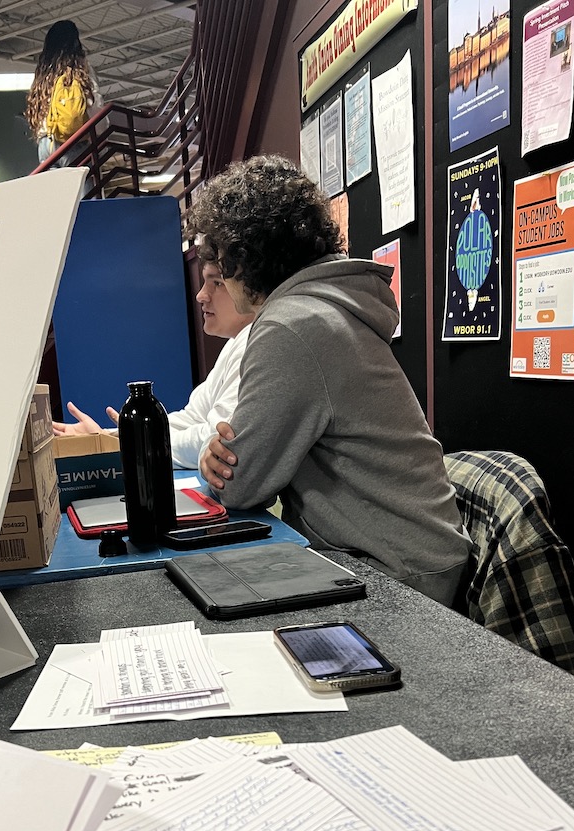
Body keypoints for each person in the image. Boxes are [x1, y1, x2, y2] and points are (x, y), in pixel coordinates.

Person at [184, 154, 473, 609]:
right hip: (417, 551)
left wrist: (217, 460)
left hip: (396, 575)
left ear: (246, 256)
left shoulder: (290, 326)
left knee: (206, 598)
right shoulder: (332, 306)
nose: (215, 277)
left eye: (220, 260)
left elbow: (240, 485)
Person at [51, 261, 254, 468]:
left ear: (252, 288)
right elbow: (193, 418)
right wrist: (108, 437)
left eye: (217, 283)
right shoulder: (235, 343)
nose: (201, 295)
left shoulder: (252, 342)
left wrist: (124, 444)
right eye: (204, 282)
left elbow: (213, 439)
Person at [25, 20, 101, 167]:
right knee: (83, 189)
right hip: (73, 143)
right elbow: (94, 104)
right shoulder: (80, 69)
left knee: (56, 190)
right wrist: (101, 129)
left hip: (45, 145)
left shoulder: (43, 74)